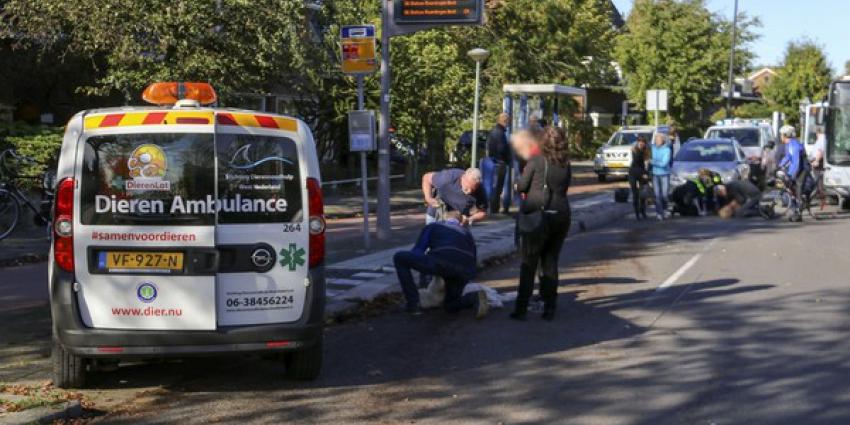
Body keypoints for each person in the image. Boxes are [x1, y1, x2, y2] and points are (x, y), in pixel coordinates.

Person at [511, 127, 572, 321]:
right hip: (561, 215)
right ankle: (550, 306)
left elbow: (523, 185)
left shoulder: (537, 161)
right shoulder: (565, 163)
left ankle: (521, 307)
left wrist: (516, 185)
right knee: (550, 262)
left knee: (529, 263)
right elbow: (565, 187)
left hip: (539, 215)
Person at [393, 210, 489, 318]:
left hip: (441, 261)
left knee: (400, 258)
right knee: (450, 305)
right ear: (461, 222)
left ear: (443, 219)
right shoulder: (467, 234)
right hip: (464, 271)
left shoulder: (434, 226)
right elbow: (473, 260)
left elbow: (417, 252)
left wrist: (424, 276)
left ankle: (413, 304)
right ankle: (472, 298)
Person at [421, 167, 487, 224]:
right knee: (433, 237)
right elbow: (426, 178)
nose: (469, 191)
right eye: (467, 187)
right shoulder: (448, 178)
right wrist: (428, 198)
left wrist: (469, 219)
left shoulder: (480, 190)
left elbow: (482, 213)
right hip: (436, 214)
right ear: (463, 178)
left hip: (459, 220)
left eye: (473, 189)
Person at [778, 125, 809, 221]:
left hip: (802, 169)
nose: (780, 136)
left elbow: (796, 162)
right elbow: (787, 157)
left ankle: (799, 213)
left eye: (781, 134)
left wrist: (790, 175)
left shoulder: (795, 145)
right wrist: (780, 165)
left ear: (785, 135)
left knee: (798, 187)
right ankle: (795, 207)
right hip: (796, 169)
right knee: (789, 186)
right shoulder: (788, 144)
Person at [486, 113, 511, 214]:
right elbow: (501, 149)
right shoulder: (500, 133)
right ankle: (494, 209)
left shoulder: (494, 132)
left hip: (494, 161)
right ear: (504, 121)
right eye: (508, 122)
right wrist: (507, 155)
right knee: (498, 187)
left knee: (495, 186)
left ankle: (493, 207)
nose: (509, 124)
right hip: (500, 162)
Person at [650, 133, 673, 220]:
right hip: (655, 174)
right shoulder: (652, 148)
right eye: (656, 139)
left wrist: (652, 162)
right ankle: (659, 212)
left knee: (664, 195)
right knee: (657, 195)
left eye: (659, 140)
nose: (657, 141)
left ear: (663, 140)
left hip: (665, 174)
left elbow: (664, 163)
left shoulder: (667, 150)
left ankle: (665, 209)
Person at [628, 135, 650, 220]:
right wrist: (640, 150)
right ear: (638, 142)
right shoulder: (634, 149)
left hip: (642, 173)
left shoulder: (646, 151)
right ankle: (637, 212)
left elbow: (646, 163)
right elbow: (636, 160)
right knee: (635, 194)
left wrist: (646, 173)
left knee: (643, 194)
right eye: (640, 141)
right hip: (633, 173)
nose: (641, 143)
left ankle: (643, 210)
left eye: (643, 142)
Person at [810, 126, 827, 210]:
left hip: (819, 164)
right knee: (818, 182)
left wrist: (816, 161)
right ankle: (821, 199)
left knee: (819, 182)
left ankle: (823, 200)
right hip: (817, 162)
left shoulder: (822, 139)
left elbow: (820, 151)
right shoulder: (821, 139)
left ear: (818, 132)